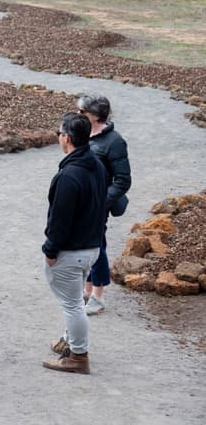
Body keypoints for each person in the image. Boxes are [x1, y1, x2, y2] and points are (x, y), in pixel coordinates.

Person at [42, 112, 107, 374]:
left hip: (72, 250)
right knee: (74, 299)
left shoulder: (69, 175)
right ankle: (69, 342)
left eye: (59, 133)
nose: (58, 137)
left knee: (72, 304)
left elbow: (60, 219)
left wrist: (50, 250)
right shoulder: (96, 165)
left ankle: (78, 356)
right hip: (91, 246)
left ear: (67, 138)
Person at [77, 94, 131, 315]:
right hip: (82, 201)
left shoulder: (114, 141)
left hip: (98, 204)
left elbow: (123, 180)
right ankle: (88, 290)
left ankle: (98, 296)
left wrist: (101, 202)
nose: (78, 115)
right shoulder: (82, 133)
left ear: (96, 116)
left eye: (83, 112)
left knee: (97, 246)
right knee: (86, 244)